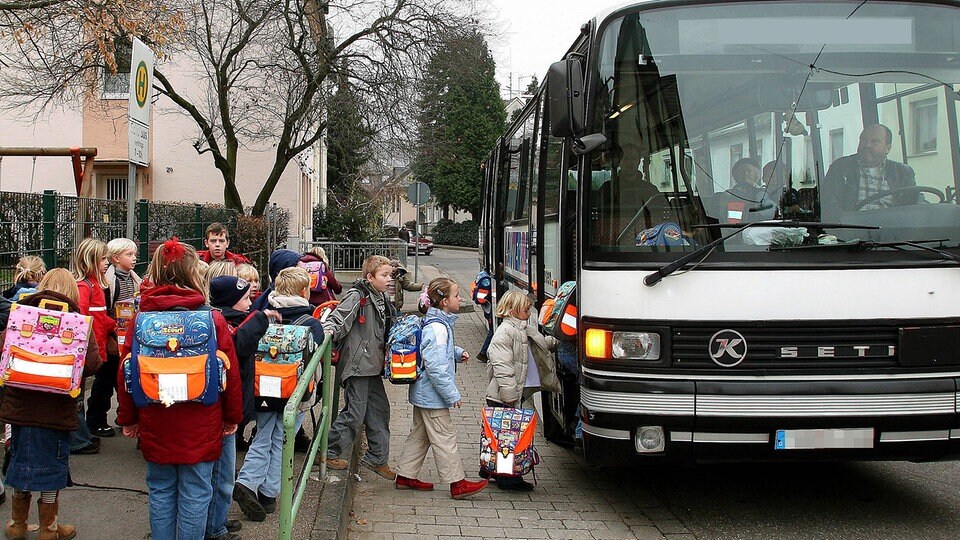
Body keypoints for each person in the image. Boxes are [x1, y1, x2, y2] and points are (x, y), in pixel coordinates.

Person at [116, 239, 242, 540]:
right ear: (194, 274)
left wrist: (128, 418)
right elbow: (231, 375)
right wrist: (232, 417)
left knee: (160, 488)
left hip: (156, 418)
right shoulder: (211, 319)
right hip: (202, 420)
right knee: (197, 490)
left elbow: (126, 373)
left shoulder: (141, 320)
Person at [0, 269, 102, 540]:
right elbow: (92, 363)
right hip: (56, 412)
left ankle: (17, 524)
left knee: (20, 463)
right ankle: (49, 528)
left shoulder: (20, 314)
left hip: (20, 410)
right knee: (52, 469)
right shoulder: (78, 322)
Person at [233, 267, 324, 522]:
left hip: (264, 389)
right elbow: (316, 359)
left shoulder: (264, 317)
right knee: (283, 441)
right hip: (294, 394)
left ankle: (247, 481)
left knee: (263, 435)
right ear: (304, 291)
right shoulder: (311, 323)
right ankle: (269, 495)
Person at [394, 277, 489, 500]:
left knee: (420, 435)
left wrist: (456, 352)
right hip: (432, 395)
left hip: (424, 393)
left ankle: (405, 475)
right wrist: (451, 394)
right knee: (445, 437)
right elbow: (435, 366)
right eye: (456, 295)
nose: (460, 299)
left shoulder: (437, 324)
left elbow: (436, 351)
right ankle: (457, 483)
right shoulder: (438, 327)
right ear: (444, 302)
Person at [205, 275, 278, 540]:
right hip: (223, 410)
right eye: (246, 299)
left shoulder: (226, 319)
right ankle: (214, 527)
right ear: (231, 302)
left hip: (229, 408)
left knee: (223, 472)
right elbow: (240, 344)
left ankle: (218, 520)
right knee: (221, 473)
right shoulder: (225, 324)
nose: (250, 303)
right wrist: (261, 317)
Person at [322, 255, 396, 480]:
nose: (389, 279)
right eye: (384, 275)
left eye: (390, 275)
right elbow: (338, 319)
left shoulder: (381, 297)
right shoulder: (358, 295)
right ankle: (328, 452)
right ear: (370, 277)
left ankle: (377, 458)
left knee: (379, 411)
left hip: (372, 364)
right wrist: (327, 333)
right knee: (355, 412)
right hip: (358, 364)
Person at [484, 290, 560, 492]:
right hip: (504, 395)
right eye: (525, 307)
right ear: (513, 310)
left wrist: (560, 340)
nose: (529, 309)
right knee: (508, 439)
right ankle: (508, 479)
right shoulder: (506, 332)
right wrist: (509, 395)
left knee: (503, 437)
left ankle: (492, 469)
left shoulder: (523, 329)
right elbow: (503, 366)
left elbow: (541, 345)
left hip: (513, 393)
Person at [86, 238, 142, 439]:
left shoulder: (134, 279)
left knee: (125, 379)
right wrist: (110, 337)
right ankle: (95, 420)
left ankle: (122, 415)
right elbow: (105, 313)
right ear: (116, 258)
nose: (134, 259)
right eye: (130, 255)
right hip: (112, 338)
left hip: (125, 338)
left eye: (134, 254)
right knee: (105, 381)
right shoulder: (109, 283)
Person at [70, 237, 115, 455]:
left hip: (92, 348)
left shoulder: (94, 285)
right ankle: (77, 439)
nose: (107, 263)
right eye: (103, 259)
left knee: (79, 393)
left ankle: (81, 435)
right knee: (76, 394)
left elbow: (101, 318)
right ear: (91, 260)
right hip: (85, 350)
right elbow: (82, 318)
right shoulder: (85, 287)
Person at [823, 124, 919, 214]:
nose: (867, 145)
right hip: (851, 229)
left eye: (875, 141)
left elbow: (916, 202)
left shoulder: (903, 173)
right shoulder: (840, 168)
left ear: (887, 148)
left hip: (891, 229)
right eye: (863, 140)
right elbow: (829, 207)